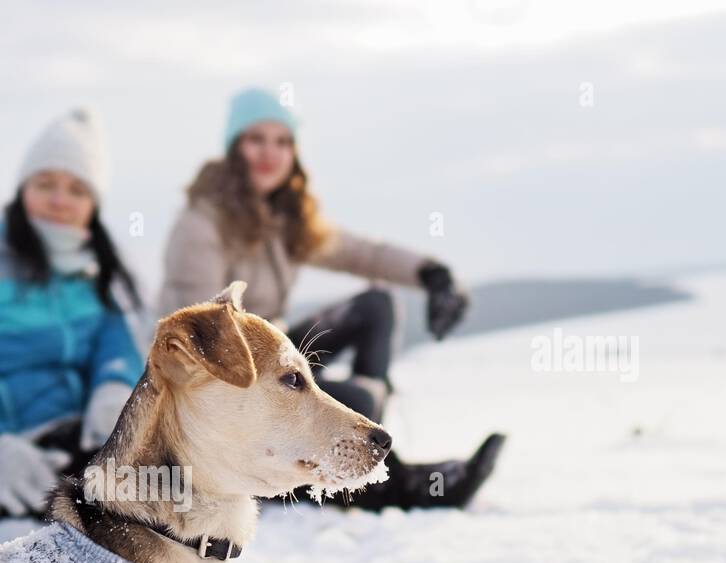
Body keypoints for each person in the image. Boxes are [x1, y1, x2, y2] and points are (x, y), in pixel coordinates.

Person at [157, 88, 505, 511]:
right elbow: (198, 338)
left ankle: (360, 462)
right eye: (256, 140)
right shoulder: (201, 226)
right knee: (357, 399)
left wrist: (432, 274)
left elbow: (363, 253)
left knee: (377, 306)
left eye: (283, 142)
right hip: (240, 385)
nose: (270, 153)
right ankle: (386, 483)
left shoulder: (285, 218)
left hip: (280, 359)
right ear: (234, 148)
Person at [0, 108, 144, 525]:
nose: (60, 200)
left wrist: (113, 389)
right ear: (22, 190)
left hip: (87, 444)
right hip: (0, 471)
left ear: (93, 204)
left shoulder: (100, 268)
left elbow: (119, 345)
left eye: (76, 189)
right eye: (46, 184)